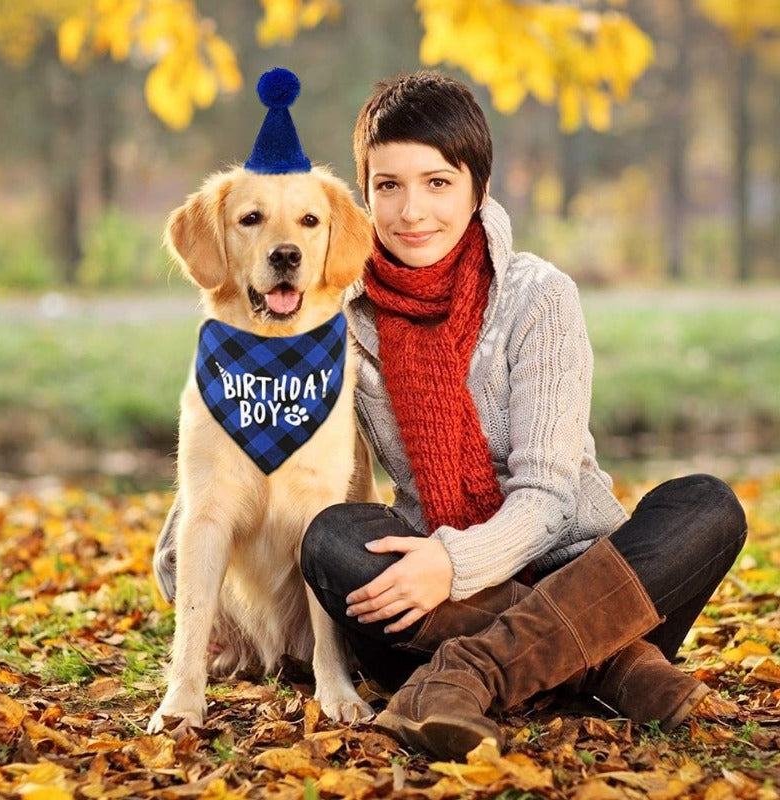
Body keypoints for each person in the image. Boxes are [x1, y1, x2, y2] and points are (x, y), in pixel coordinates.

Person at [154, 70, 747, 761]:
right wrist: (191, 569)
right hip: (433, 607)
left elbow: (551, 498)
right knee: (334, 539)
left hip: (576, 575)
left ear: (478, 190)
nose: (412, 212)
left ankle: (470, 677)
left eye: (437, 183)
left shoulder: (539, 297)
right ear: (367, 196)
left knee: (705, 506)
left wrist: (454, 563)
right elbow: (242, 471)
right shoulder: (339, 321)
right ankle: (615, 668)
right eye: (388, 186)